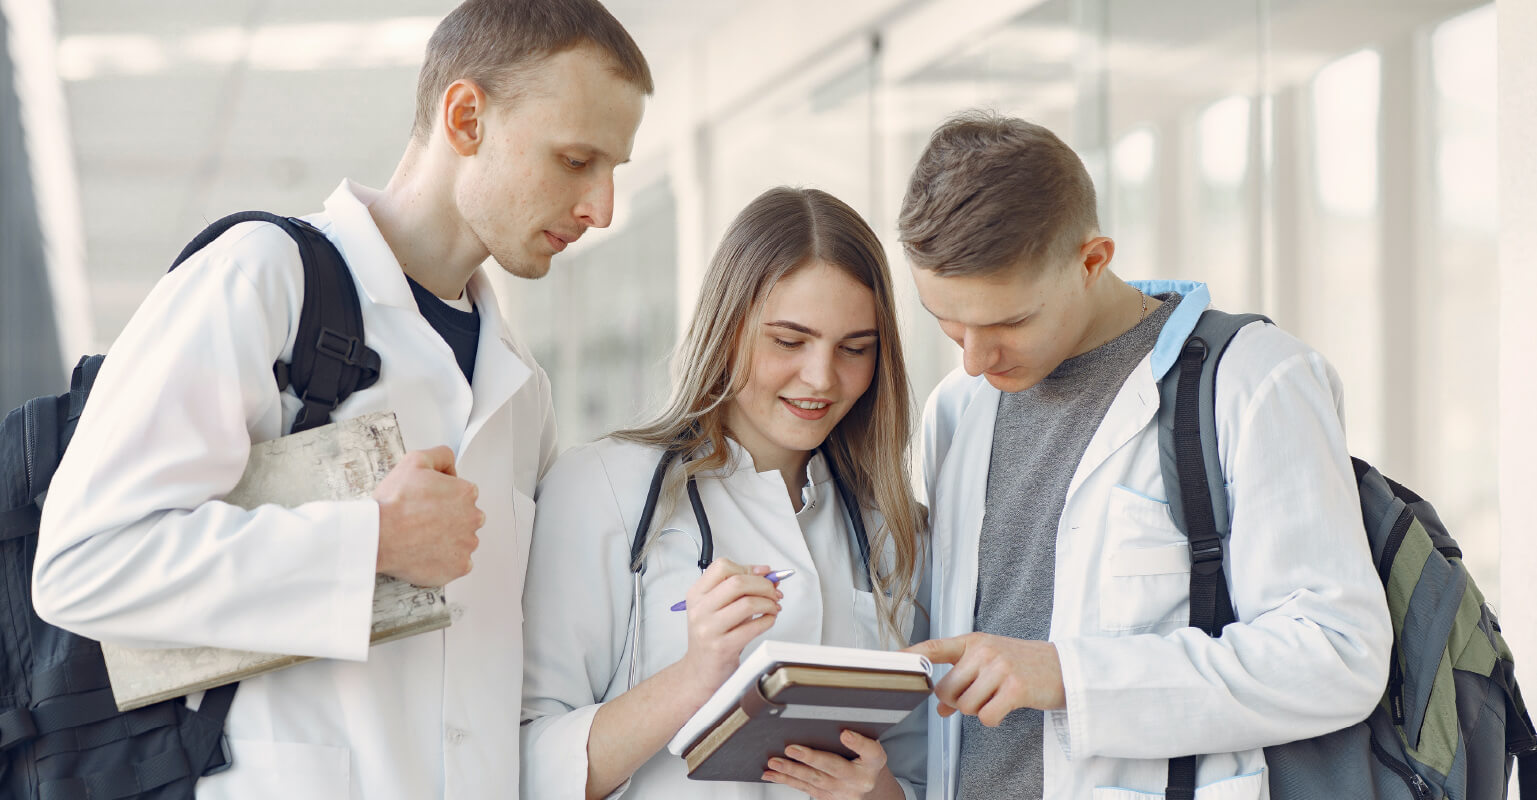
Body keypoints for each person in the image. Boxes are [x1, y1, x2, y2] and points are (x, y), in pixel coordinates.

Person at [31, 1, 650, 797]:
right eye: (575, 161)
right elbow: (86, 564)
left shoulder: (520, 383)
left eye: (613, 172)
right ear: (466, 118)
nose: (600, 209)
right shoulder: (262, 278)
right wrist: (371, 545)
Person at [897, 111, 1393, 799]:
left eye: (1008, 323)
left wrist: (1069, 676)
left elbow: (1338, 654)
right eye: (948, 326)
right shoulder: (956, 408)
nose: (977, 359)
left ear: (1092, 260)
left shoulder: (1253, 380)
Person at [520, 186, 929, 800]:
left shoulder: (894, 533)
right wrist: (695, 675)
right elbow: (526, 765)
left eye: (854, 349)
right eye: (789, 341)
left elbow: (926, 773)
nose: (821, 377)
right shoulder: (604, 489)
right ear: (728, 327)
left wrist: (876, 792)